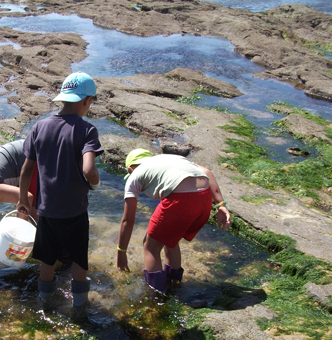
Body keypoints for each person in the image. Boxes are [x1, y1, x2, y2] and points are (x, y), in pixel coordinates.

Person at [17, 72, 103, 307]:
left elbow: (26, 170)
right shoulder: (87, 131)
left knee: (47, 259)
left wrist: (23, 199)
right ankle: (80, 307)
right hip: (75, 212)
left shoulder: (39, 127)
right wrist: (94, 183)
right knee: (78, 261)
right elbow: (89, 169)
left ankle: (44, 301)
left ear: (63, 98)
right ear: (86, 101)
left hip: (46, 211)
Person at [116, 148, 231, 294]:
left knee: (150, 246)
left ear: (130, 169)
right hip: (204, 198)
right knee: (170, 239)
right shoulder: (167, 159)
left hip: (179, 199)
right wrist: (221, 205)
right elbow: (206, 171)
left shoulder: (135, 176)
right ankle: (174, 285)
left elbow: (127, 220)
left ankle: (156, 296)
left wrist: (121, 252)